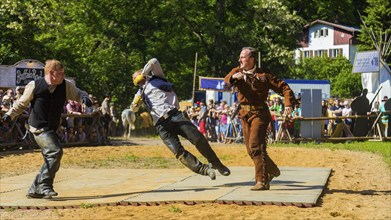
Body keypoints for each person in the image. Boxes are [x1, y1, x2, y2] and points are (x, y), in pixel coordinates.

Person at [1, 59, 92, 199]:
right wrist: (9, 115)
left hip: (51, 128)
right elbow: (20, 104)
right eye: (60, 73)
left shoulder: (65, 85)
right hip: (37, 128)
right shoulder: (34, 85)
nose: (63, 76)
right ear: (51, 73)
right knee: (55, 152)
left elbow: (78, 93)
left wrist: (84, 98)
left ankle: (34, 189)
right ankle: (45, 186)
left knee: (51, 158)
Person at [130, 58, 230, 180]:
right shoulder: (139, 94)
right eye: (136, 82)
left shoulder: (157, 78)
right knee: (178, 152)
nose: (139, 83)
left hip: (175, 116)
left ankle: (216, 163)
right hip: (161, 125)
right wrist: (135, 104)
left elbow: (155, 61)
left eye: (139, 79)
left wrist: (144, 73)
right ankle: (204, 169)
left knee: (198, 139)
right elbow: (133, 110)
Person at [224, 47, 296, 190]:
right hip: (244, 115)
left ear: (251, 59)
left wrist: (288, 104)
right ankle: (273, 170)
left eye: (243, 57)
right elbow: (226, 81)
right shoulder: (237, 71)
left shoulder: (264, 74)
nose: (240, 60)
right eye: (240, 57)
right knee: (251, 150)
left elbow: (284, 88)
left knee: (256, 146)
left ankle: (261, 181)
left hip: (260, 114)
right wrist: (233, 78)